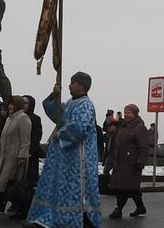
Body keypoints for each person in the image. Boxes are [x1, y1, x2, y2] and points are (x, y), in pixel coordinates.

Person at [26, 70, 101, 228]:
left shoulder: (86, 105)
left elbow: (79, 128)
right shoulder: (69, 104)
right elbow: (54, 112)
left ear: (82, 86)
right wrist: (54, 95)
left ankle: (73, 221)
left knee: (75, 192)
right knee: (57, 188)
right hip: (65, 157)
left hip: (78, 158)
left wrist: (61, 135)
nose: (69, 85)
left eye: (73, 82)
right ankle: (48, 218)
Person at [0, 95, 32, 218]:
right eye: (9, 103)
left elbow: (25, 140)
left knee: (8, 183)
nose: (10, 106)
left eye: (12, 104)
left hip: (15, 158)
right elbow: (2, 139)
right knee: (4, 183)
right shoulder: (9, 119)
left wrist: (22, 156)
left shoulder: (23, 119)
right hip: (5, 157)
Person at [107, 103, 152, 218]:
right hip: (121, 162)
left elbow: (144, 147)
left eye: (129, 113)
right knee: (128, 188)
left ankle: (118, 209)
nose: (126, 115)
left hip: (132, 163)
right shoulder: (123, 125)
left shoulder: (140, 127)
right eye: (125, 112)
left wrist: (140, 161)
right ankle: (140, 207)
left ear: (135, 114)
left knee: (126, 188)